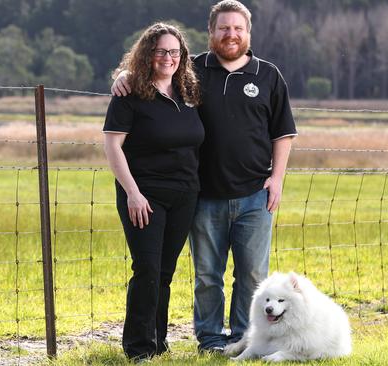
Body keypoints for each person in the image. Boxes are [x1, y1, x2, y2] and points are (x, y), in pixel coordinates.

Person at [111, 0, 297, 354]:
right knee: (207, 277)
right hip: (204, 195)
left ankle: (245, 339)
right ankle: (210, 341)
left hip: (256, 194)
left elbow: (282, 133)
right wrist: (125, 77)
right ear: (211, 32)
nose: (231, 35)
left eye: (238, 28)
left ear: (248, 32)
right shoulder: (191, 70)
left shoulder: (268, 75)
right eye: (223, 28)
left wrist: (278, 179)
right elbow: (154, 73)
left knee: (253, 277)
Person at [103, 22, 204, 361]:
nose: (168, 58)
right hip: (144, 195)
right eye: (161, 51)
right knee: (146, 268)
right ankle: (138, 348)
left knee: (164, 271)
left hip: (185, 194)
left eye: (174, 52)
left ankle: (158, 341)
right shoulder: (129, 93)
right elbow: (113, 147)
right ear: (147, 54)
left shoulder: (188, 92)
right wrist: (132, 192)